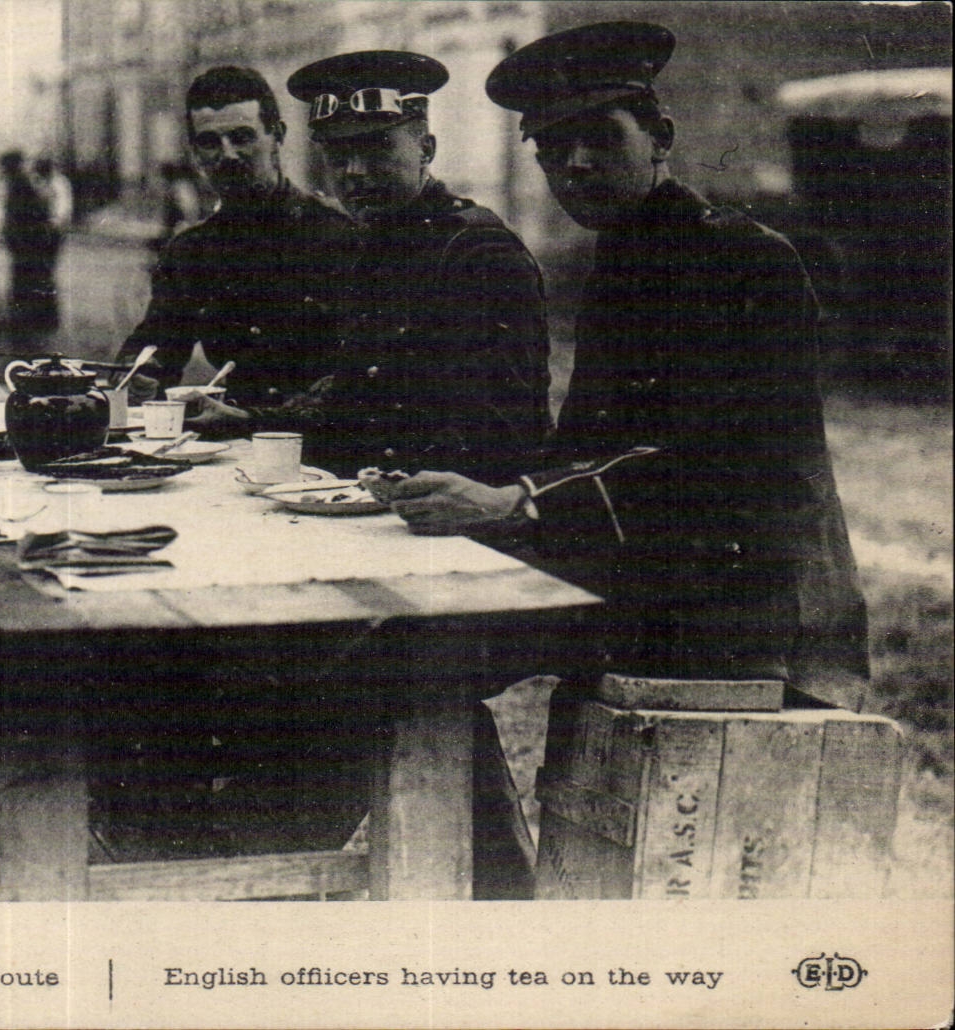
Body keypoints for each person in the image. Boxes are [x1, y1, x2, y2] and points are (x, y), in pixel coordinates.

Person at [372, 22, 869, 892]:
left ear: (662, 137)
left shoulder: (749, 264)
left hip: (748, 611)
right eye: (553, 151)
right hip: (656, 579)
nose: (576, 168)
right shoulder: (626, 263)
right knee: (401, 643)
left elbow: (706, 470)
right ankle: (502, 894)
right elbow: (586, 452)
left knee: (409, 662)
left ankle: (493, 899)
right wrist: (476, 494)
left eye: (601, 139)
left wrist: (515, 502)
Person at [194, 51, 550, 480]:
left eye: (376, 149)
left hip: (461, 517)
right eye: (338, 157)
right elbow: (352, 399)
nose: (355, 172)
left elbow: (503, 431)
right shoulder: (370, 243)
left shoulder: (477, 252)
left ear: (426, 148)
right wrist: (249, 421)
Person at [114, 66, 357, 409]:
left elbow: (364, 381)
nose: (227, 155)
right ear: (195, 153)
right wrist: (137, 372)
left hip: (327, 444)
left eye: (242, 137)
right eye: (210, 142)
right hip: (236, 444)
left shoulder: (340, 236)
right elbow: (156, 343)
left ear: (277, 135)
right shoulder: (192, 252)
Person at [0, 149, 59, 350]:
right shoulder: (23, 183)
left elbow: (23, 216)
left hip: (30, 244)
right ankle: (38, 321)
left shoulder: (21, 184)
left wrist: (14, 237)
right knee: (36, 279)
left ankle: (31, 323)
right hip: (31, 243)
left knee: (29, 281)